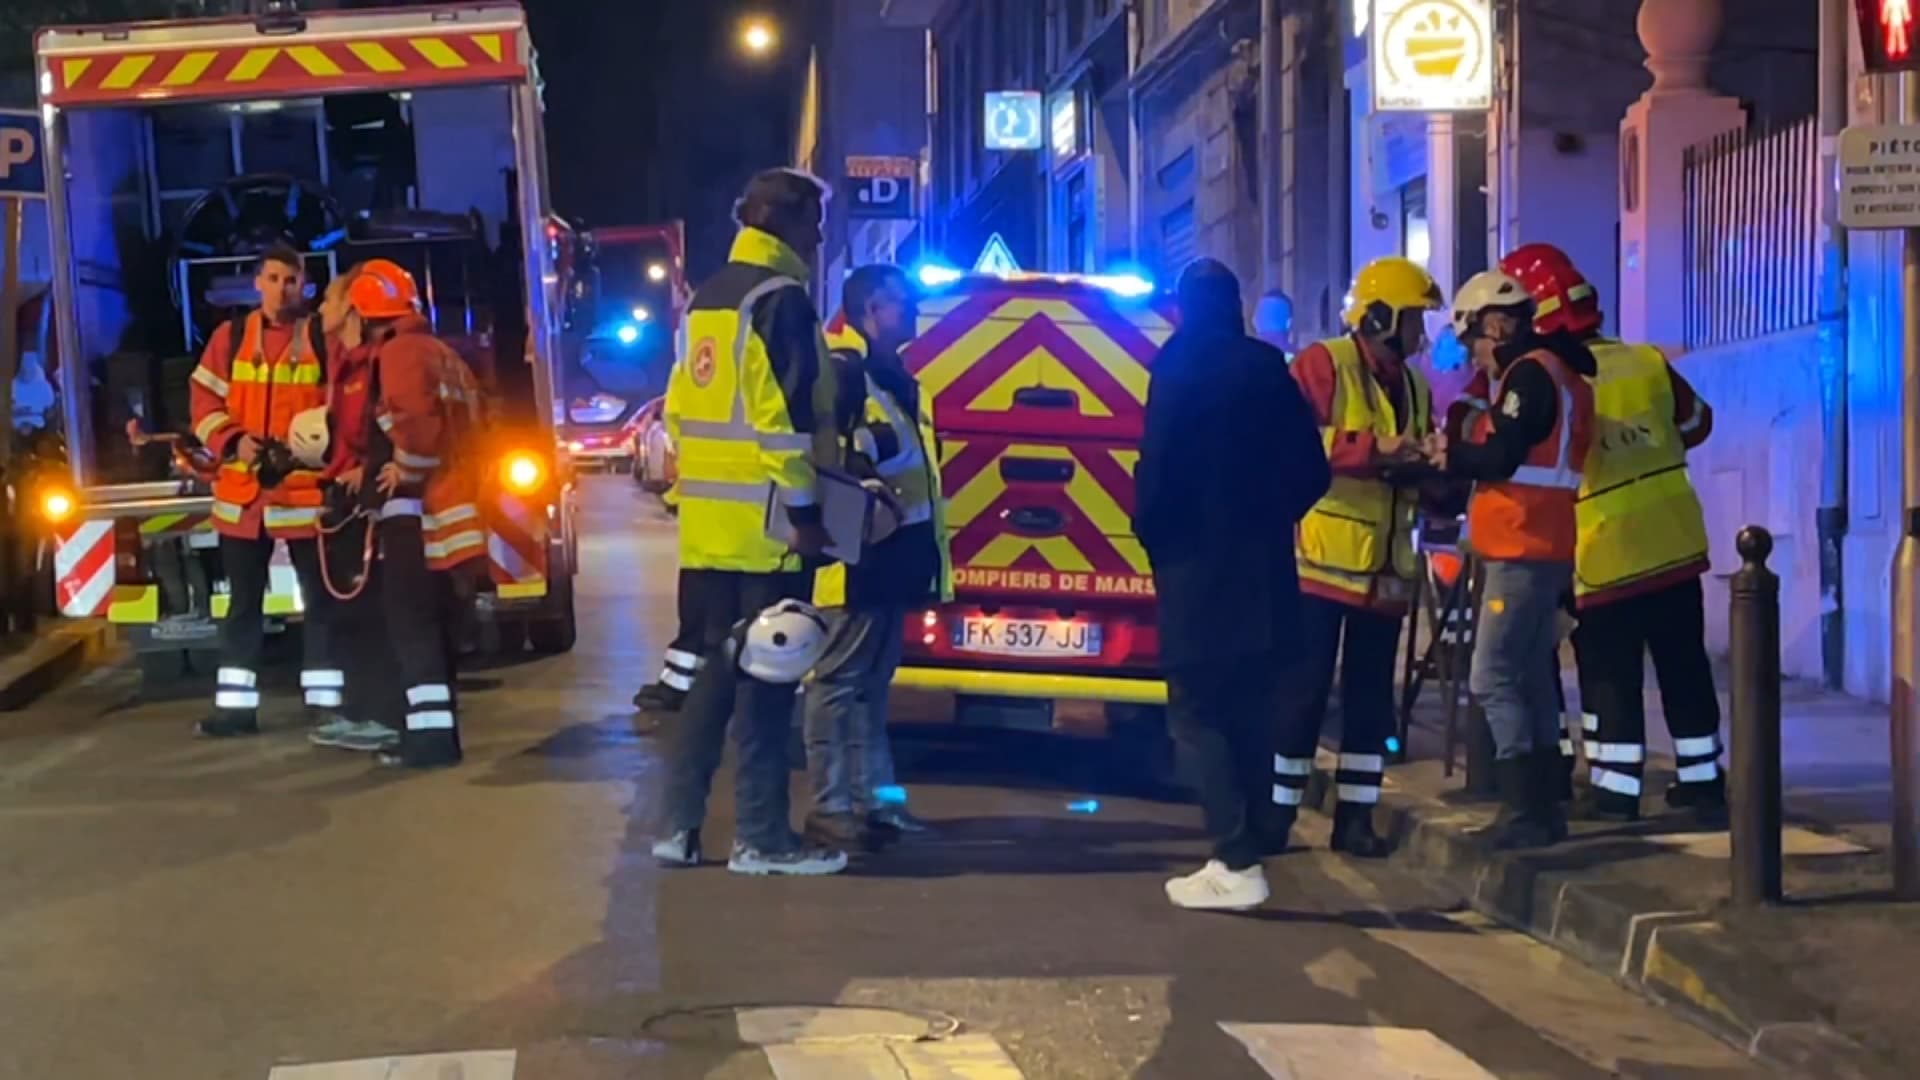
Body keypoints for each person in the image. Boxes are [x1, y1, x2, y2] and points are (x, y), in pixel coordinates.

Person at [651, 168, 847, 876]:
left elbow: (677, 411)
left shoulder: (707, 299)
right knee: (769, 687)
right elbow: (784, 422)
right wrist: (805, 516)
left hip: (707, 535)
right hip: (769, 532)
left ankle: (677, 829)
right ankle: (761, 839)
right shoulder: (781, 300)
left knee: (710, 680)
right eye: (815, 223)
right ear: (786, 223)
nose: (820, 237)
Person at [1501, 243, 1723, 823]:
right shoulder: (1648, 360)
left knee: (1609, 674)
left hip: (1601, 554)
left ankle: (1617, 791)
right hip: (1674, 544)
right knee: (1684, 666)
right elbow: (1698, 423)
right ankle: (1703, 782)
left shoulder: (1551, 378)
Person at [1137, 258, 1331, 911]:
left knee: (1195, 712)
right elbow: (1312, 469)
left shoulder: (1177, 366)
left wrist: (1156, 537)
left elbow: (1158, 466)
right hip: (1262, 568)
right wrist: (1272, 519)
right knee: (1249, 706)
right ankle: (1256, 837)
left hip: (1195, 568)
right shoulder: (1265, 367)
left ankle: (1233, 855)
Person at [1277, 256, 1444, 859]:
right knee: (1303, 694)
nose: (1421, 333)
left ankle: (1357, 819)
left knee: (1371, 706)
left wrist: (1433, 461)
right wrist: (1377, 447)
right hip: (1323, 566)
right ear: (1379, 317)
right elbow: (1292, 440)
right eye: (1413, 319)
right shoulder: (1324, 364)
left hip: (1387, 572)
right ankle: (1276, 815)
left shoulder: (1417, 384)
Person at [1429, 269, 1596, 849]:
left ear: (1497, 324)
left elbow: (1502, 454)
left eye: (1474, 339)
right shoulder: (1560, 371)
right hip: (1544, 543)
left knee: (1492, 674)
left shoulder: (1530, 375)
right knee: (1529, 674)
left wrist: (1453, 454)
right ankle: (1543, 803)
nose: (1475, 354)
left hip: (1523, 545)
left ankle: (1524, 805)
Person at [802, 264, 950, 851]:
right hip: (856, 562)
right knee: (837, 685)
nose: (911, 311)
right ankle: (830, 806)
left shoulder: (893, 378)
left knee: (871, 689)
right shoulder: (845, 373)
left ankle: (875, 802)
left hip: (894, 560)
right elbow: (826, 458)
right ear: (868, 311)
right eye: (899, 302)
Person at [188, 243, 339, 738]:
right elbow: (204, 401)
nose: (281, 288)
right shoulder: (230, 337)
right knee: (241, 609)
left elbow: (344, 404)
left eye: (291, 280)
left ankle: (325, 707)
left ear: (306, 285)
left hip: (302, 496)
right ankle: (235, 710)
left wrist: (317, 447)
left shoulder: (322, 336)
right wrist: (234, 440)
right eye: (273, 278)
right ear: (257, 282)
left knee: (319, 602)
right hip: (244, 498)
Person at [346, 259, 487, 769]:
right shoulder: (442, 352)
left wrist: (400, 468)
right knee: (438, 625)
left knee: (412, 626)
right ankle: (436, 734)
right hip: (451, 504)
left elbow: (415, 426)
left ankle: (428, 741)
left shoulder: (400, 352)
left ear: (367, 314)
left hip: (418, 512)